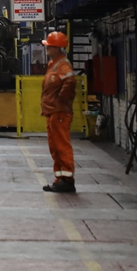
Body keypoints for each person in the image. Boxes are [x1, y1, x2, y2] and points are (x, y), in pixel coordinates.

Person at [41, 31, 78, 192]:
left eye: (49, 46)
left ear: (57, 48)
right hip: (53, 112)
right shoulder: (54, 64)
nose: (46, 48)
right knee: (54, 146)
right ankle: (60, 178)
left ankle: (68, 180)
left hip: (59, 113)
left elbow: (70, 81)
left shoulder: (63, 64)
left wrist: (62, 99)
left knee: (61, 145)